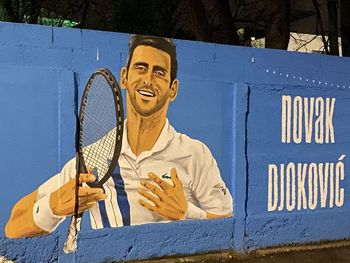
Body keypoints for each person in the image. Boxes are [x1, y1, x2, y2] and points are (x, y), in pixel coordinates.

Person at [5, 35, 233, 238]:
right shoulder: (93, 158)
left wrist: (187, 213)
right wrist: (53, 206)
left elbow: (229, 227)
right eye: (141, 68)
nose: (148, 79)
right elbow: (13, 225)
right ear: (124, 77)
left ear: (173, 89)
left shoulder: (195, 154)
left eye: (159, 73)